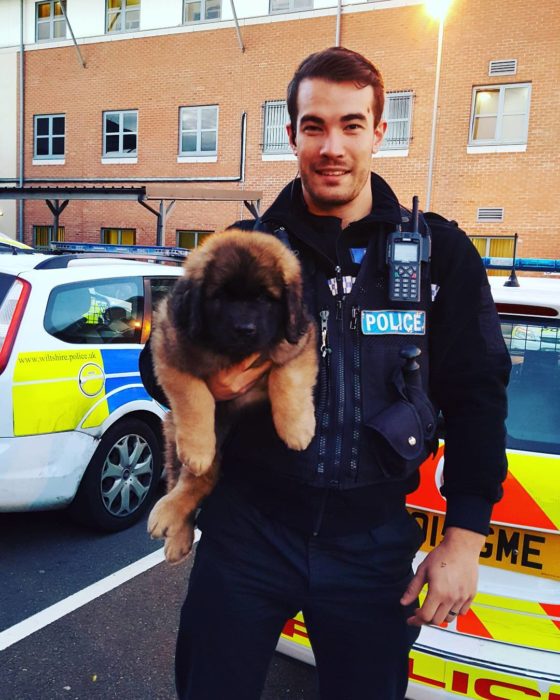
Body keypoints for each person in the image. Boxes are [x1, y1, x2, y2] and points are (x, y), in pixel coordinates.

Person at [140, 47, 511, 700]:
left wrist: (466, 536)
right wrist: (213, 384)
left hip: (371, 546)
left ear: (378, 130)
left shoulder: (438, 254)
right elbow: (158, 354)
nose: (332, 145)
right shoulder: (243, 248)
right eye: (314, 126)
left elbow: (478, 394)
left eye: (350, 124)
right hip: (248, 532)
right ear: (292, 135)